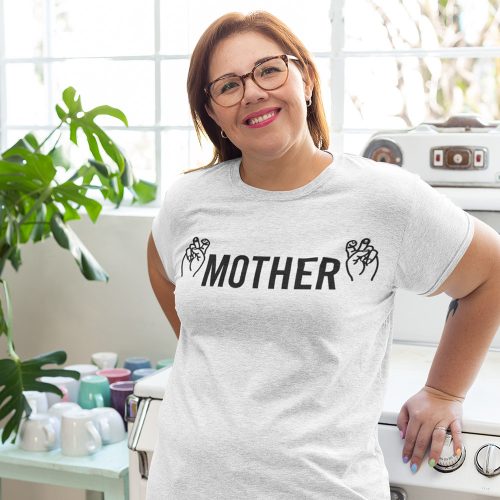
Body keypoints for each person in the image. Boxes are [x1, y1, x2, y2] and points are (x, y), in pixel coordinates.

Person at [146, 11, 500, 500]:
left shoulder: (383, 199)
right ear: (213, 114)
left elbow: (491, 273)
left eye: (268, 69)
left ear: (306, 78)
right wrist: (210, 346)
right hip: (185, 484)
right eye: (227, 86)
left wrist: (444, 392)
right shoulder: (189, 201)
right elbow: (161, 266)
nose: (251, 92)